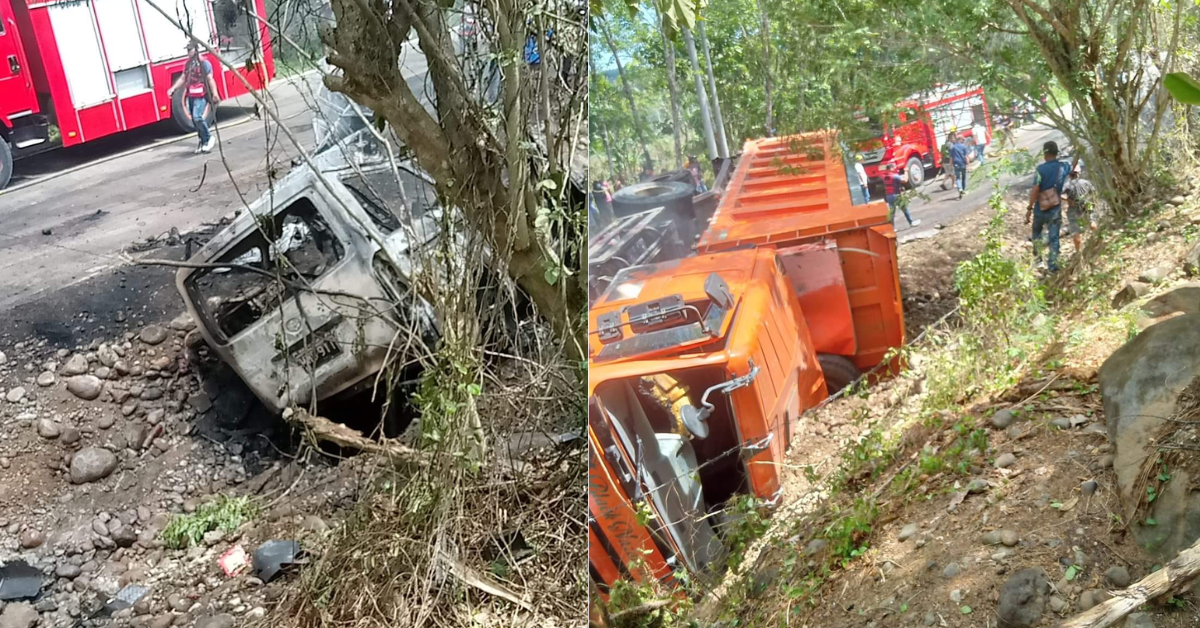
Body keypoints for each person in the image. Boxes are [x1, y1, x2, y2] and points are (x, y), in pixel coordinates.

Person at [1025, 141, 1072, 274]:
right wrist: (1079, 151)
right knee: (1054, 237)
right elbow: (1073, 166)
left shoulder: (1040, 170)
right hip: (1055, 209)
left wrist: (1029, 208)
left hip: (1040, 209)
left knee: (1037, 234)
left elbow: (1035, 190)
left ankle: (1039, 261)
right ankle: (1053, 266)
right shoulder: (1063, 167)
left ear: (1045, 154)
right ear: (1056, 153)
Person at [167, 42, 219, 154]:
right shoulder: (188, 64)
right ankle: (203, 141)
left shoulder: (204, 63)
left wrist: (215, 94)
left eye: (190, 50)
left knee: (197, 117)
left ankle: (209, 138)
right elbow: (183, 78)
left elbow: (210, 79)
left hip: (201, 95)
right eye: (187, 50)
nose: (188, 52)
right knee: (195, 121)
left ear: (196, 50)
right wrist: (173, 88)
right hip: (191, 95)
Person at [1062, 165, 1097, 253]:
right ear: (1079, 173)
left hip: (1074, 207)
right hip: (1087, 204)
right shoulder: (1086, 182)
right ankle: (1097, 240)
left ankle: (1078, 252)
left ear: (1069, 175)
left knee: (1075, 230)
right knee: (1092, 220)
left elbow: (1059, 195)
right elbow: (1093, 193)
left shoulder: (1067, 185)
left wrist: (1068, 200)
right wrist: (1093, 203)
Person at [948, 134, 971, 198]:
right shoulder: (964, 147)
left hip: (956, 164)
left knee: (957, 178)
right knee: (963, 177)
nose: (963, 140)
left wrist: (950, 166)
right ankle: (963, 190)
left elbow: (951, 158)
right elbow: (966, 157)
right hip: (963, 164)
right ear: (960, 139)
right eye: (963, 139)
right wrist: (968, 165)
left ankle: (960, 189)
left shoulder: (953, 147)